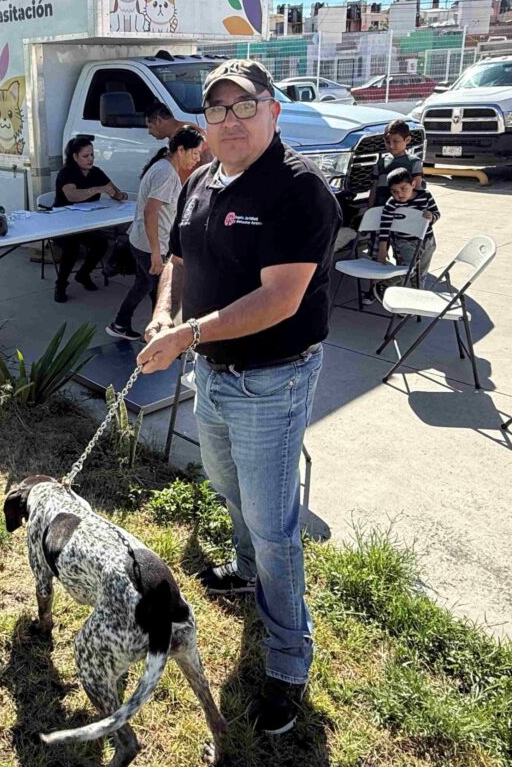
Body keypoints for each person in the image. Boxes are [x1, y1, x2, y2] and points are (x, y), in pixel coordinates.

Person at [136, 60, 340, 736]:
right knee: (229, 488)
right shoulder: (199, 180)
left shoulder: (298, 190)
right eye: (217, 108)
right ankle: (248, 573)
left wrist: (187, 332)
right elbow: (181, 264)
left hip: (272, 379)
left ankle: (287, 660)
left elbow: (280, 300)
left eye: (244, 105)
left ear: (273, 111)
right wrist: (167, 314)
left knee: (275, 525)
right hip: (213, 373)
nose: (229, 119)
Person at [106, 126, 205, 340]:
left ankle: (121, 324)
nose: (197, 160)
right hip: (150, 244)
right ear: (181, 150)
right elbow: (151, 210)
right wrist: (155, 252)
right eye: (195, 153)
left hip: (143, 240)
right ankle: (161, 335)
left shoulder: (164, 167)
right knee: (166, 293)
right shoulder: (166, 173)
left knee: (146, 285)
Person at [51, 137, 128, 304]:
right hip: (62, 225)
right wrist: (97, 189)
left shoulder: (96, 172)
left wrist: (118, 195)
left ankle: (83, 274)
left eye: (92, 155)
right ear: (75, 157)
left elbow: (114, 190)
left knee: (101, 244)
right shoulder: (67, 173)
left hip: (86, 224)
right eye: (85, 156)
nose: (90, 159)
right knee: (72, 246)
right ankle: (61, 285)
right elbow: (72, 195)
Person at [373, 167, 440, 292]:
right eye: (394, 191)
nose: (399, 194)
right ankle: (386, 283)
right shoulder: (392, 203)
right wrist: (382, 249)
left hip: (428, 240)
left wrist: (431, 217)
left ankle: (417, 297)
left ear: (413, 184)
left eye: (404, 189)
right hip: (404, 242)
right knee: (408, 269)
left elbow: (437, 213)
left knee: (421, 272)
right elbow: (385, 227)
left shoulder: (425, 196)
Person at [367, 118, 423, 207]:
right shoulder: (381, 162)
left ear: (407, 140)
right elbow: (374, 188)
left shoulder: (414, 162)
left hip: (404, 210)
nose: (391, 146)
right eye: (388, 142)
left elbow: (417, 189)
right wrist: (370, 209)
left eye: (396, 141)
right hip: (381, 208)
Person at [145, 101, 214, 165]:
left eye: (150, 127)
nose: (149, 132)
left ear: (159, 120)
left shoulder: (190, 133)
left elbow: (209, 161)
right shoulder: (175, 137)